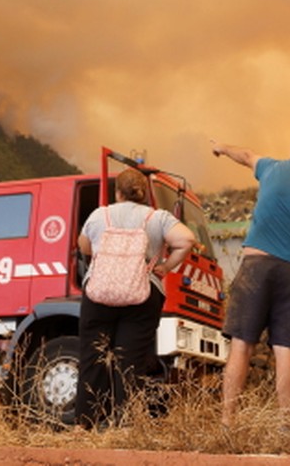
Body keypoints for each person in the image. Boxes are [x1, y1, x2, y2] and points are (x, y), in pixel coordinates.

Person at [210, 129, 290, 428]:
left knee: (242, 345)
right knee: (286, 350)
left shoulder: (271, 167)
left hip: (256, 267)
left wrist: (221, 146)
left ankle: (227, 423)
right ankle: (287, 427)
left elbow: (244, 155)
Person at [75, 168, 195, 429]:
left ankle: (85, 425)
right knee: (130, 360)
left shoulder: (100, 215)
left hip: (100, 294)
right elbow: (187, 239)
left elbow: (83, 245)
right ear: (144, 194)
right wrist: (165, 267)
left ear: (117, 192)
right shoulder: (157, 217)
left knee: (92, 357)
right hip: (142, 294)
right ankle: (125, 426)